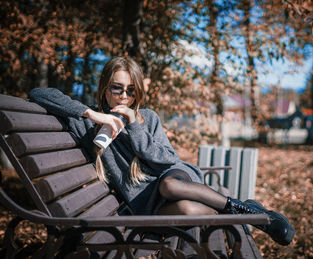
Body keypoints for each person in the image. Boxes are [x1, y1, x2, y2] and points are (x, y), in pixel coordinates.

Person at [29, 56, 295, 246]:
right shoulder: (88, 124)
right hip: (147, 205)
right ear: (105, 88)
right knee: (189, 211)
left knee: (170, 187)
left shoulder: (147, 117)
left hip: (174, 177)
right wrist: (93, 115)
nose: (124, 96)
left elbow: (166, 159)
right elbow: (39, 93)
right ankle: (246, 210)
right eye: (117, 88)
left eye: (130, 91)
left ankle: (254, 216)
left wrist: (133, 126)